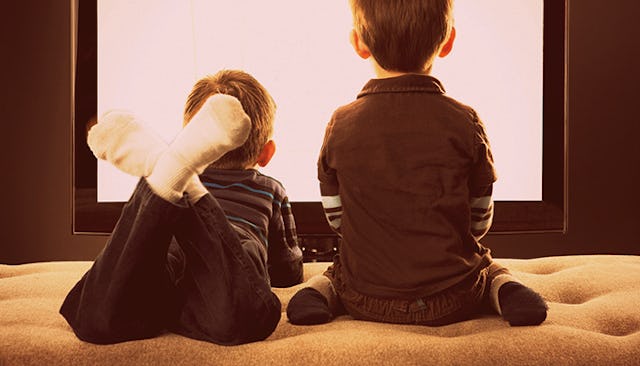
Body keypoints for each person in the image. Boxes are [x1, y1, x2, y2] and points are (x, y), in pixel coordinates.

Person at [286, 0, 547, 327]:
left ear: (358, 43)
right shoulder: (465, 121)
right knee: (483, 263)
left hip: (366, 299)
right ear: (448, 40)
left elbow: (337, 220)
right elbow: (478, 220)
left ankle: (319, 292)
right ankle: (503, 288)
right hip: (453, 298)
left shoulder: (341, 122)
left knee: (341, 268)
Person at [60, 70, 303, 346]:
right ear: (266, 152)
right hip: (234, 248)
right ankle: (188, 185)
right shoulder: (270, 189)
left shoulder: (169, 194)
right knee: (242, 316)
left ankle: (168, 170)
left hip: (168, 240)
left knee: (100, 317)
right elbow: (287, 270)